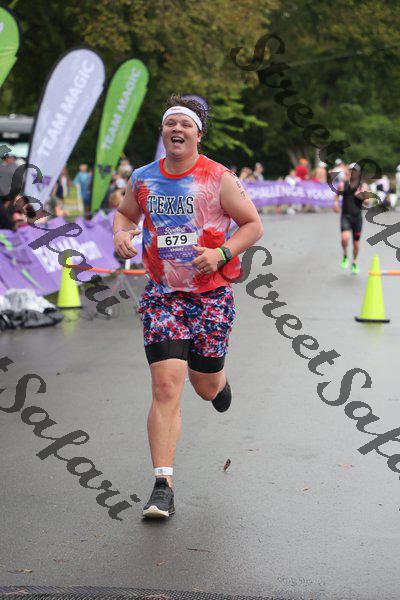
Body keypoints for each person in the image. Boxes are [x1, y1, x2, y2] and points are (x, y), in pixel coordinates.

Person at [113, 95, 263, 519]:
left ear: (198, 134)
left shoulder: (218, 177)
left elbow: (253, 225)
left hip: (210, 295)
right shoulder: (142, 178)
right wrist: (121, 234)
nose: (176, 129)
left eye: (185, 124)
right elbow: (125, 216)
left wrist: (222, 253)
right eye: (170, 123)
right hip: (163, 295)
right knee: (165, 387)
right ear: (163, 131)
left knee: (204, 386)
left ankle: (219, 382)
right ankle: (163, 486)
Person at [333, 162, 369, 274]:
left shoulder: (363, 186)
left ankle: (354, 262)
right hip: (346, 216)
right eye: (350, 170)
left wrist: (361, 195)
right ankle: (345, 255)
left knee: (356, 243)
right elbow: (337, 195)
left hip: (357, 218)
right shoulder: (343, 184)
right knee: (345, 238)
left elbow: (367, 203)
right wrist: (335, 204)